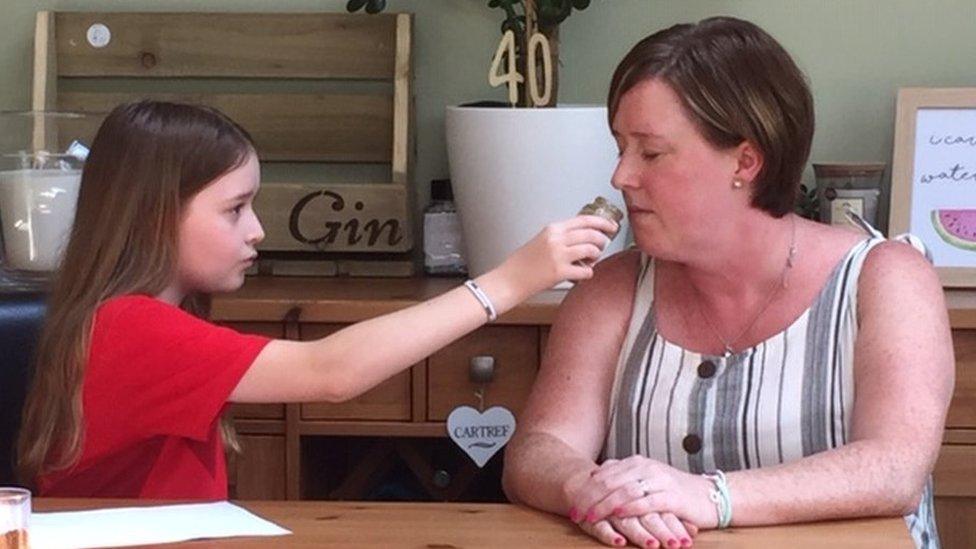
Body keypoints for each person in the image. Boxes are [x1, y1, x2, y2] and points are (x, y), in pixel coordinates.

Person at [502, 16, 953, 549]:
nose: (621, 176)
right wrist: (587, 486)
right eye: (620, 147)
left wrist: (706, 496)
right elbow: (537, 450)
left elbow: (893, 468)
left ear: (746, 160)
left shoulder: (886, 278)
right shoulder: (612, 288)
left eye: (650, 151)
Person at [16, 100, 617, 499]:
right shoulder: (131, 328)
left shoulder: (136, 319)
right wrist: (509, 282)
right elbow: (330, 372)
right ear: (153, 217)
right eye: (234, 209)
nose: (256, 230)